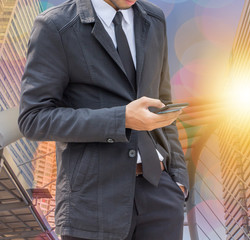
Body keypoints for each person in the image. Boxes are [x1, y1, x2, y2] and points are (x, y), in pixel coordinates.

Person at [18, 0, 189, 239]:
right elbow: (33, 118)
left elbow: (162, 103)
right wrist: (121, 119)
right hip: (92, 204)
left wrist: (178, 178)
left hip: (160, 196)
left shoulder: (155, 19)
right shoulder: (55, 25)